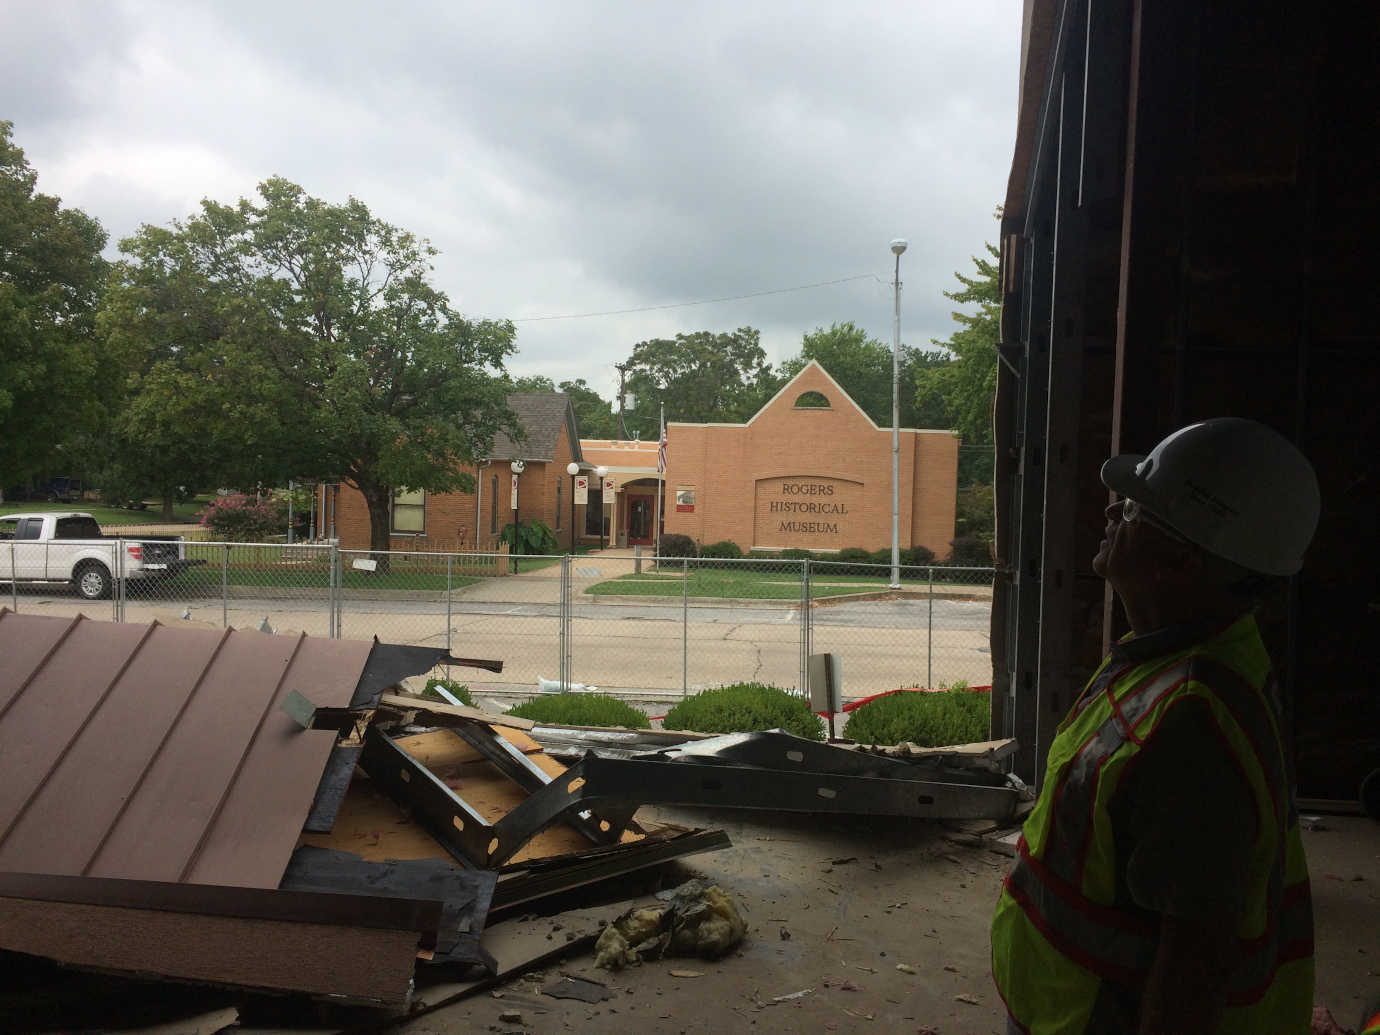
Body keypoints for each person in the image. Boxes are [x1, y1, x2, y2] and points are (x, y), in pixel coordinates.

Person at [991, 418, 1319, 1034]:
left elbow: (1194, 962)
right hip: (1071, 1005)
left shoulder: (1192, 722)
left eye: (1135, 510)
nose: (1112, 514)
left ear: (1182, 560)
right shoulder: (1172, 660)